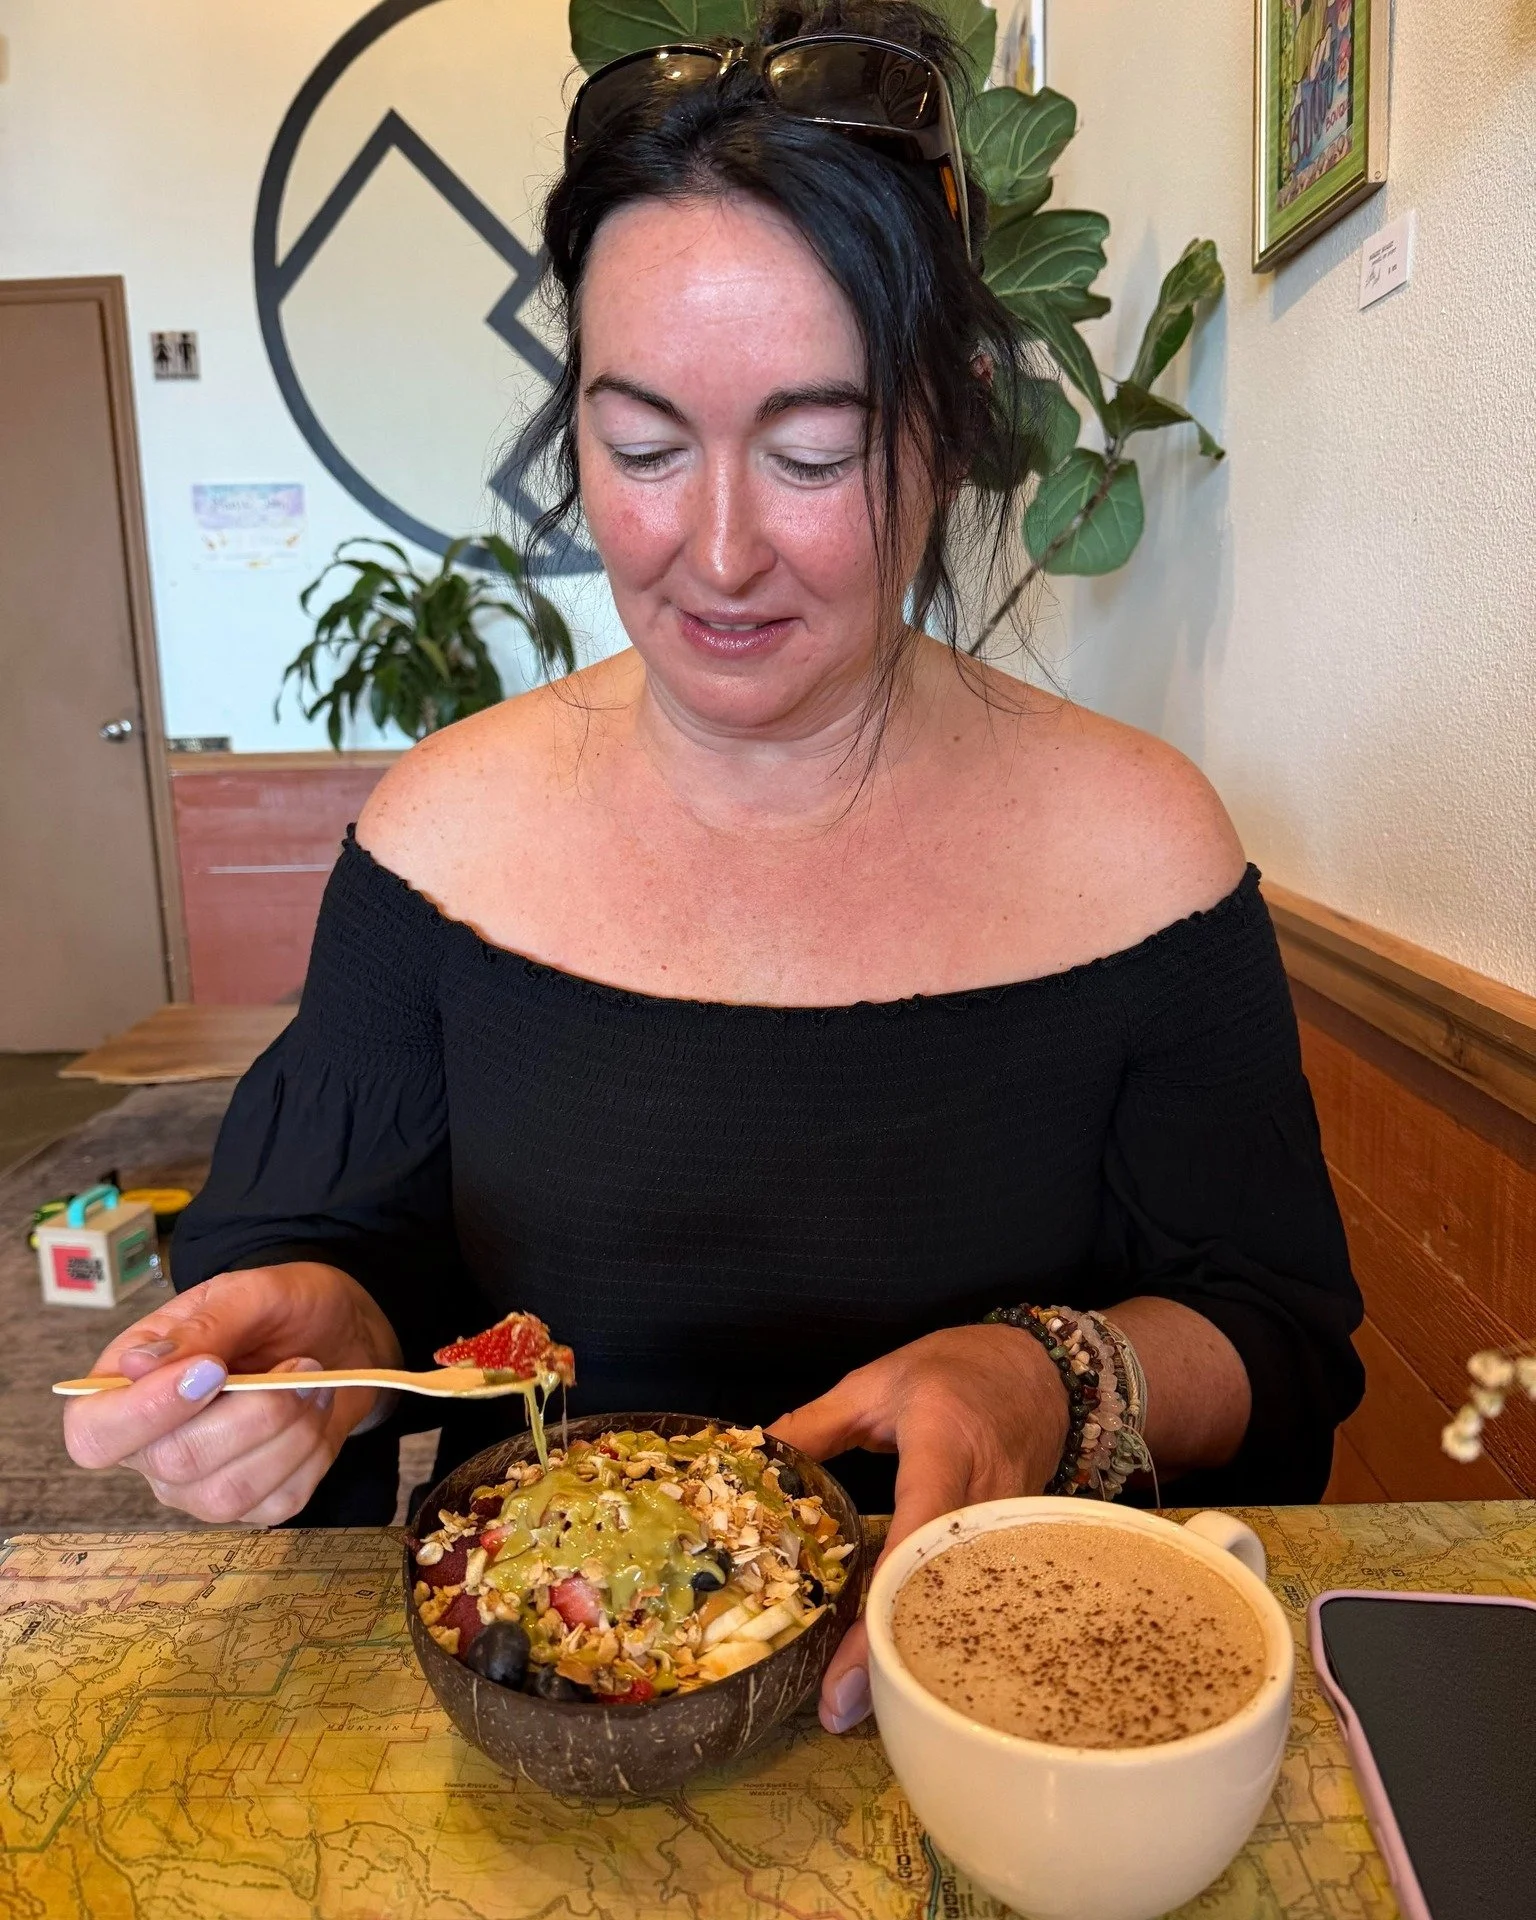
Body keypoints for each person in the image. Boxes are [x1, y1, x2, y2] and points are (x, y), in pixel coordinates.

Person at [64, 0, 1362, 1735]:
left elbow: (1273, 1333)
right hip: (553, 1718)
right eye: (646, 446)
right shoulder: (438, 838)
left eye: (815, 452)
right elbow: (342, 1267)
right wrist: (307, 1349)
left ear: (955, 422)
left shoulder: (1144, 847)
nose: (720, 549)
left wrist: (1046, 1377)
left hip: (1016, 1714)